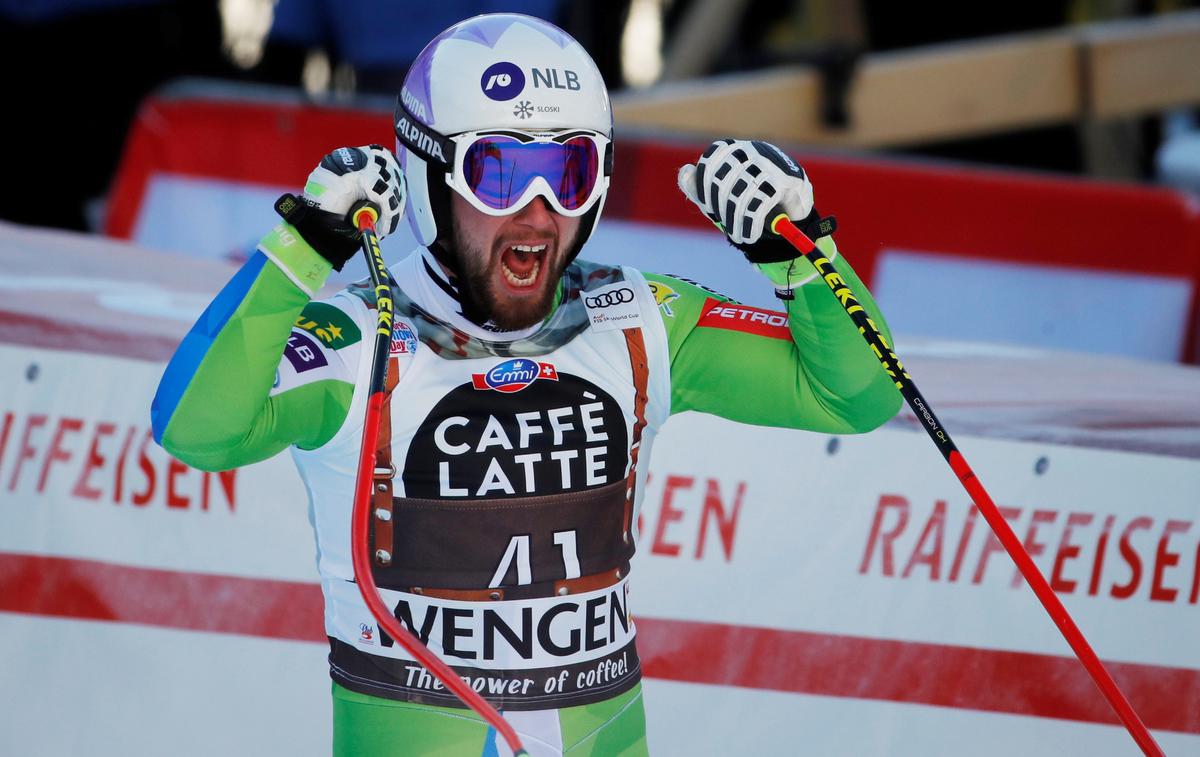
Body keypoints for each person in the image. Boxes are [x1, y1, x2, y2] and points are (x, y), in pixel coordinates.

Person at [151, 12, 901, 757]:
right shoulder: (358, 339)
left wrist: (798, 251)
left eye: (570, 173)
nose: (539, 212)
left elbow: (858, 395)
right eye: (499, 173)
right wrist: (304, 243)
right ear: (430, 178)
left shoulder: (639, 318)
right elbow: (195, 428)